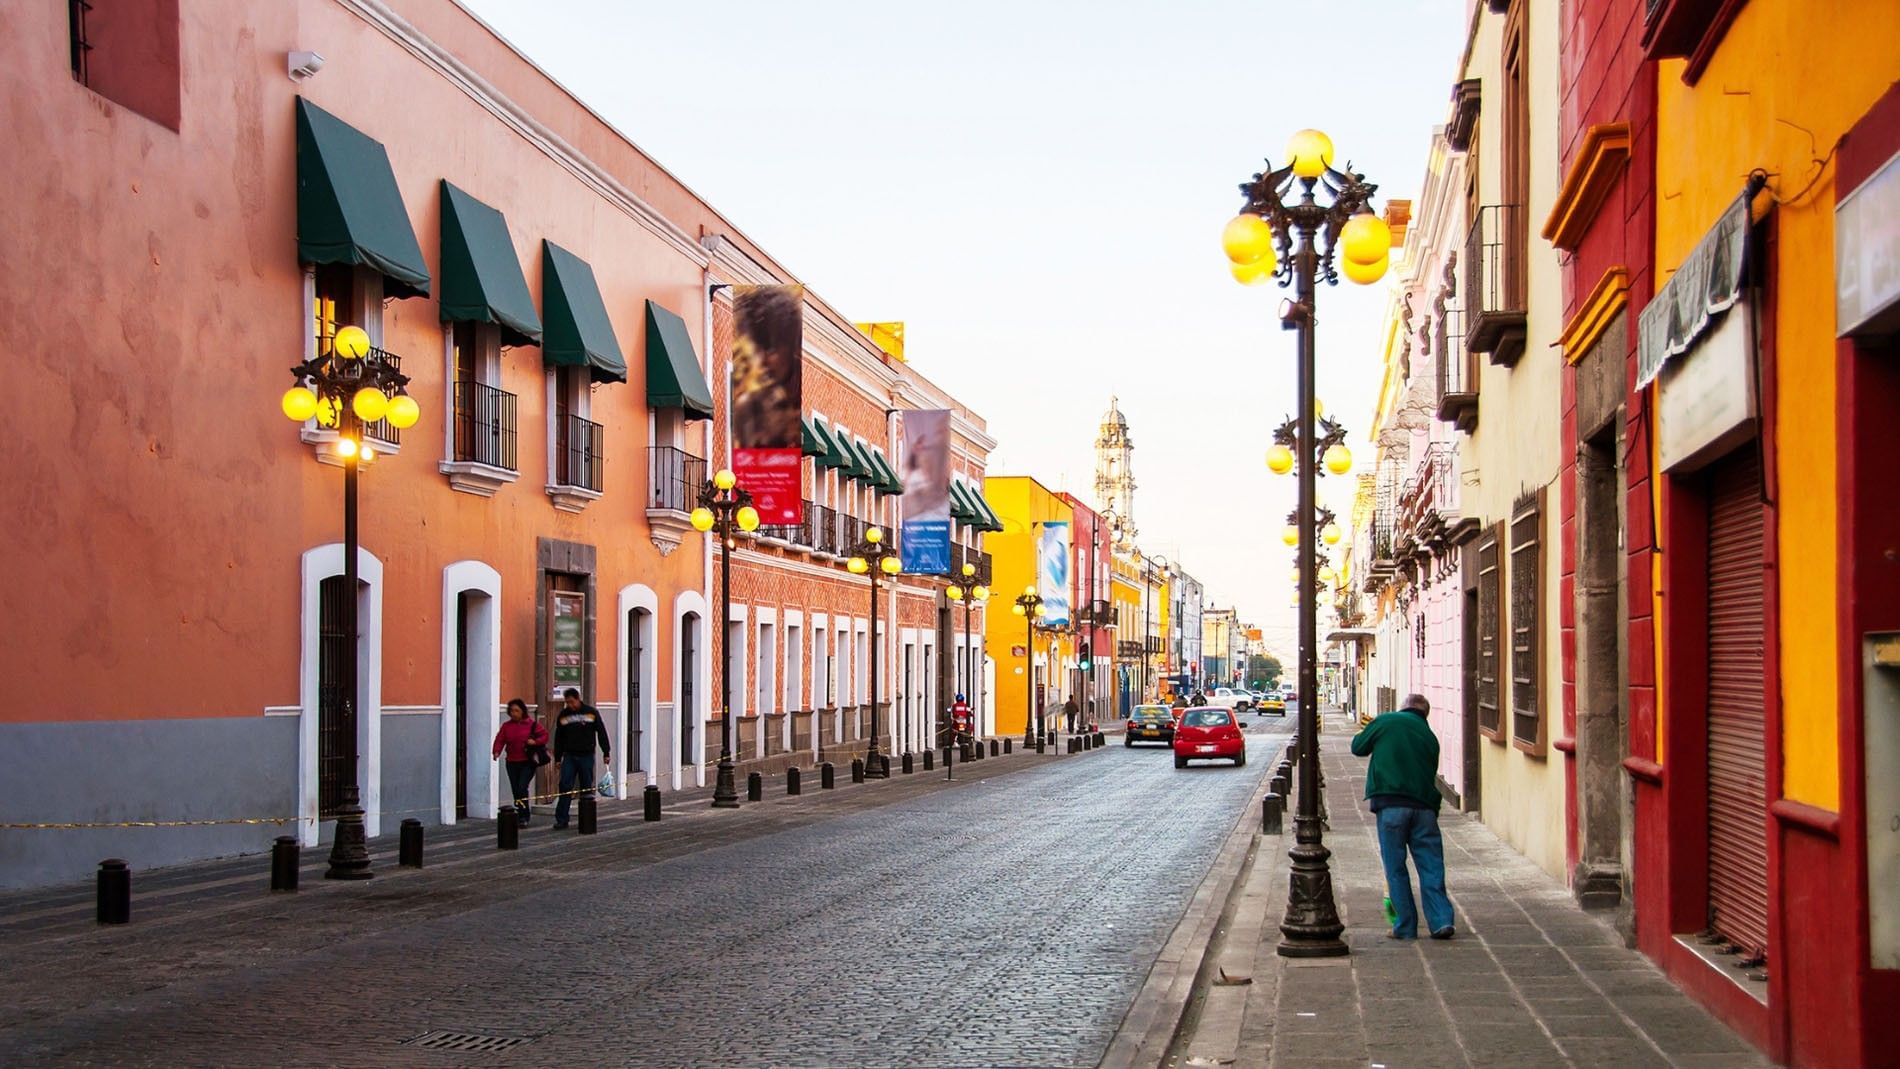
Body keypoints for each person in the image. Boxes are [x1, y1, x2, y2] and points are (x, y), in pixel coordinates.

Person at [1351, 693, 1454, 940]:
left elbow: (1358, 747)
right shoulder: (1430, 738)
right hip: (1424, 807)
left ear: (1403, 707)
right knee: (1431, 865)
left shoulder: (1386, 721)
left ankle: (1405, 926)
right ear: (1424, 714)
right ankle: (1441, 921)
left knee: (1395, 867)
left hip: (1391, 805)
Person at [552, 688, 610, 830]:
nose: (569, 705)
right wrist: (558, 758)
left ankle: (586, 817)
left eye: (571, 702)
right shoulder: (564, 716)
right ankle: (562, 819)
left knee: (586, 787)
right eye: (567, 702)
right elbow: (558, 738)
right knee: (565, 785)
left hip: (586, 755)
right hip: (569, 755)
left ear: (578, 699)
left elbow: (601, 732)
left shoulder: (591, 713)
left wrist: (606, 752)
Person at [491, 698, 547, 826]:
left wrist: (535, 742)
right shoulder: (507, 726)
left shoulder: (531, 724)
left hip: (527, 761)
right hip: (512, 761)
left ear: (523, 711)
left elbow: (544, 736)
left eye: (517, 711)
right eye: (511, 711)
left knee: (522, 787)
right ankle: (520, 812)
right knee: (516, 789)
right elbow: (500, 739)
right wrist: (496, 751)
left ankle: (524, 815)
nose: (514, 713)